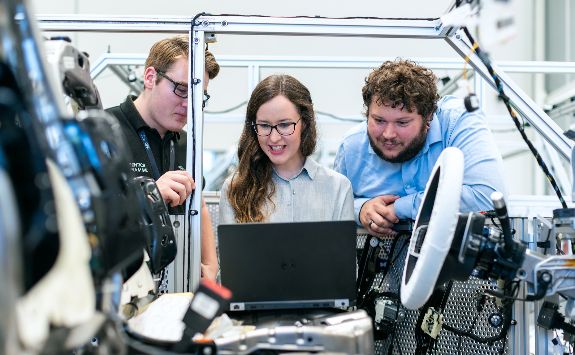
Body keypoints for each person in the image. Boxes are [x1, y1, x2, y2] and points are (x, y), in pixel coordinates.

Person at [334, 59, 506, 237]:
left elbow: (487, 196)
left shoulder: (458, 123)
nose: (388, 134)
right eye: (379, 120)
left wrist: (398, 208)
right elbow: (334, 206)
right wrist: (361, 209)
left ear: (428, 116)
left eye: (402, 122)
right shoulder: (351, 147)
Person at [106, 35, 219, 280]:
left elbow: (198, 203)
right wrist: (150, 195)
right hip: (122, 281)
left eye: (199, 97)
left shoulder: (187, 143)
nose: (189, 105)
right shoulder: (104, 132)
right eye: (181, 90)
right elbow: (87, 216)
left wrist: (210, 265)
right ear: (150, 77)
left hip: (177, 283)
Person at [219, 74, 354, 224]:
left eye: (284, 125)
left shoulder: (338, 188)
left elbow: (341, 247)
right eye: (264, 125)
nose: (274, 138)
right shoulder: (234, 189)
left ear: (304, 123)